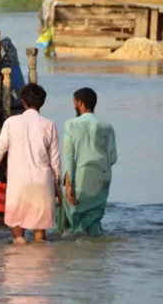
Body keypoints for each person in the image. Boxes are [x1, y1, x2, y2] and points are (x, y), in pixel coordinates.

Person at [0, 84, 61, 244]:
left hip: (19, 182)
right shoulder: (50, 125)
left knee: (16, 225)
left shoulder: (11, 123)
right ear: (42, 103)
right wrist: (58, 189)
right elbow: (55, 163)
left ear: (23, 102)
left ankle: (19, 250)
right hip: (42, 182)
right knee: (40, 233)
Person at [57, 88, 117, 236]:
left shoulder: (70, 124)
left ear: (80, 103)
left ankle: (77, 252)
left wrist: (69, 184)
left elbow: (69, 157)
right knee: (94, 220)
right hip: (102, 178)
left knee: (73, 220)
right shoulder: (107, 126)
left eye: (74, 103)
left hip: (80, 177)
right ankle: (97, 255)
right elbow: (113, 158)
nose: (74, 106)